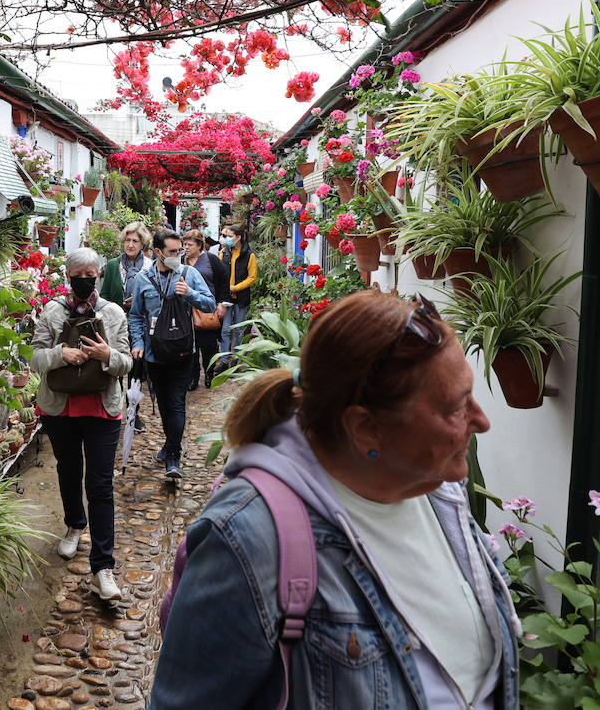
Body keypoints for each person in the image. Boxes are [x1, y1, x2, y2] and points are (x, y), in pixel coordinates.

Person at [150, 291, 520, 709]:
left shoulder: (438, 493)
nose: (482, 421)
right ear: (364, 429)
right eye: (455, 407)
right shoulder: (248, 541)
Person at [29, 247, 134, 601]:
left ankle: (103, 566)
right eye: (78, 276)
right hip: (61, 409)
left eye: (91, 274)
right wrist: (62, 354)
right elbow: (34, 357)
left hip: (103, 409)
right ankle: (75, 524)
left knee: (101, 485)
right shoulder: (52, 311)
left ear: (99, 276)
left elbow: (127, 363)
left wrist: (108, 356)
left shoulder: (114, 313)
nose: (85, 281)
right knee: (69, 471)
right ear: (69, 278)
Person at [127, 228, 216, 480]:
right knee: (164, 405)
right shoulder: (144, 279)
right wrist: (137, 342)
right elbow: (135, 315)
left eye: (180, 250)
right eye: (172, 251)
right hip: (155, 354)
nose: (179, 255)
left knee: (176, 403)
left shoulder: (190, 273)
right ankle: (169, 445)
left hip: (183, 352)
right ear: (157, 252)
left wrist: (189, 293)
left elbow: (211, 304)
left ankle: (174, 455)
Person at [181, 229, 228, 390]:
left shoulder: (212, 260)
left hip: (207, 309)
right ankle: (193, 377)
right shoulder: (181, 261)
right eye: (184, 244)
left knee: (208, 345)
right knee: (190, 346)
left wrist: (221, 303)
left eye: (190, 244)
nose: (186, 247)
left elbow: (223, 281)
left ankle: (209, 374)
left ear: (199, 245)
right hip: (186, 310)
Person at [217, 223, 258, 365]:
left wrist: (234, 288)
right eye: (225, 236)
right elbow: (219, 274)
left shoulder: (249, 254)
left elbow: (252, 277)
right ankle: (223, 360)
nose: (226, 239)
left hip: (241, 298)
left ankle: (236, 360)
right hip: (226, 298)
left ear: (238, 237)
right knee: (225, 330)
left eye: (229, 236)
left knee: (239, 330)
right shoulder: (224, 252)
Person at [100, 221, 153, 313]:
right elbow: (104, 295)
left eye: (135, 241)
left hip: (142, 321)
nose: (130, 245)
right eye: (127, 240)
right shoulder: (113, 265)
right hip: (116, 321)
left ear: (143, 244)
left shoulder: (150, 266)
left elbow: (154, 298)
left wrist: (138, 302)